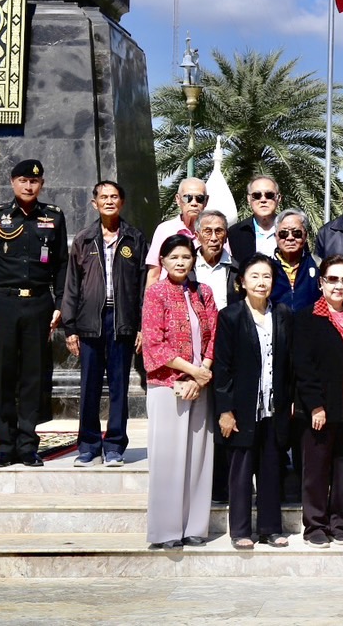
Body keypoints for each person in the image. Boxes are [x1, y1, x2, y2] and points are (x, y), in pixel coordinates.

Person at [0, 159, 67, 468]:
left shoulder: (53, 217)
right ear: (12, 183)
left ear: (41, 185)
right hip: (3, 302)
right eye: (23, 180)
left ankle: (28, 444)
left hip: (39, 303)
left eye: (35, 182)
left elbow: (61, 264)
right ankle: (4, 445)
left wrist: (59, 305)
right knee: (4, 375)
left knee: (33, 376)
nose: (29, 186)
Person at [61, 180, 148, 467]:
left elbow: (143, 286)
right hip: (90, 322)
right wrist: (69, 327)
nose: (109, 201)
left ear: (121, 202)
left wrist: (140, 325)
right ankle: (88, 446)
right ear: (94, 203)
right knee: (89, 386)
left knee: (120, 387)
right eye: (103, 197)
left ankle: (114, 446)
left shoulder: (134, 238)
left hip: (122, 321)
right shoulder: (84, 239)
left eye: (114, 197)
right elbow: (72, 286)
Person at [140, 234, 217, 550]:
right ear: (163, 261)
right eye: (174, 258)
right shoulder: (155, 293)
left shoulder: (204, 293)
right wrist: (189, 372)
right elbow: (154, 343)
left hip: (199, 386)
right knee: (168, 459)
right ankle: (166, 530)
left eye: (186, 257)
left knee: (198, 458)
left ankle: (195, 526)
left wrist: (201, 376)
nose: (181, 263)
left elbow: (214, 335)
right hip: (167, 385)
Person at [215, 253, 294, 549]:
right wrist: (225, 410)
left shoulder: (283, 314)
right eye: (255, 277)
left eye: (267, 277)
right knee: (241, 472)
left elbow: (289, 364)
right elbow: (222, 368)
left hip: (275, 406)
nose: (262, 283)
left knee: (271, 468)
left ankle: (271, 529)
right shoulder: (231, 316)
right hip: (243, 407)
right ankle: (240, 530)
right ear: (242, 282)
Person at [292, 256, 343, 547]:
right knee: (317, 469)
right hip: (322, 406)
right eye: (332, 279)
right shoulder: (308, 317)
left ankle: (339, 523)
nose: (338, 286)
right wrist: (315, 405)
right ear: (321, 283)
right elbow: (303, 366)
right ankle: (315, 526)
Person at [146, 177, 209, 284]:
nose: (194, 203)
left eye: (199, 198)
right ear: (178, 199)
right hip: (168, 297)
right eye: (187, 198)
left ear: (206, 201)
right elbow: (154, 274)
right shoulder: (164, 230)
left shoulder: (214, 233)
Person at [270, 208, 320, 312]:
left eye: (296, 233)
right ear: (275, 237)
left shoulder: (318, 265)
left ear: (305, 236)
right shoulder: (267, 267)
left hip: (309, 325)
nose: (290, 238)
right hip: (277, 326)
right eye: (283, 233)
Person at [193, 209, 240, 311]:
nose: (213, 238)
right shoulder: (188, 268)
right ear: (197, 236)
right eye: (208, 232)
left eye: (219, 231)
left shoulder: (237, 270)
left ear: (226, 236)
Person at [228, 175, 282, 264]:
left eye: (269, 195)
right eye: (257, 195)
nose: (263, 200)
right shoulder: (235, 233)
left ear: (278, 198)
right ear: (249, 199)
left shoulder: (292, 231)